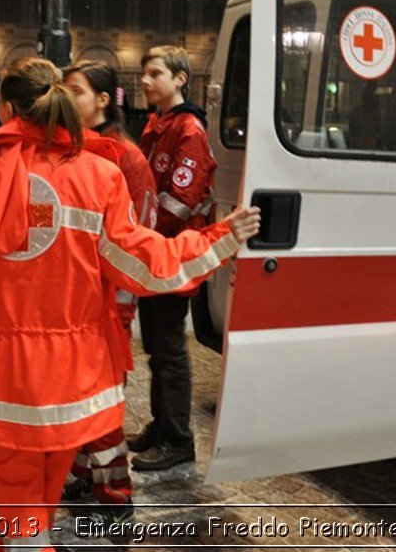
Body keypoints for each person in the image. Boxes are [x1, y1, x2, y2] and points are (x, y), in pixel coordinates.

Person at [0, 57, 260, 551]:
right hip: (71, 378)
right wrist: (222, 238)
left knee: (18, 510)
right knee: (43, 498)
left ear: (4, 106)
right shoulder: (99, 176)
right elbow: (146, 264)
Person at [58, 60, 156, 525]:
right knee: (72, 395)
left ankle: (116, 493)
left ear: (102, 100)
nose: (64, 96)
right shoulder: (66, 149)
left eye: (74, 90)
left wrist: (118, 301)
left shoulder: (125, 156)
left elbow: (139, 237)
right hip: (66, 301)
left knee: (99, 400)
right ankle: (83, 472)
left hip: (106, 301)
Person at [130, 45, 217, 471]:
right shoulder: (156, 124)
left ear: (180, 78)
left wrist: (140, 238)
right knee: (156, 347)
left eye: (155, 73)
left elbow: (178, 200)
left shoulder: (189, 131)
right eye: (143, 74)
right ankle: (160, 425)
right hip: (153, 250)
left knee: (169, 349)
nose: (145, 81)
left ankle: (179, 440)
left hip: (172, 251)